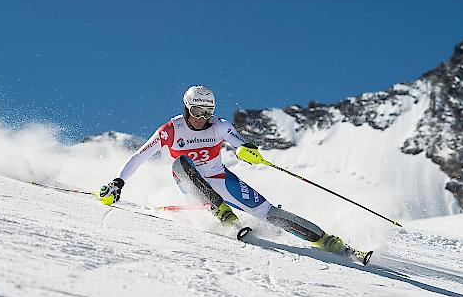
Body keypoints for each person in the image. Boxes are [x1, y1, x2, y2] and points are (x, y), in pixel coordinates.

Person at [99, 85, 346, 254]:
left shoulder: (219, 126)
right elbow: (140, 155)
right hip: (189, 183)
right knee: (180, 163)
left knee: (267, 211)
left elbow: (240, 143)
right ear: (187, 108)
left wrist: (248, 151)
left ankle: (324, 240)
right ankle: (224, 215)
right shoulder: (170, 130)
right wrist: (118, 182)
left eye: (207, 112)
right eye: (197, 112)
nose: (202, 118)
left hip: (221, 179)